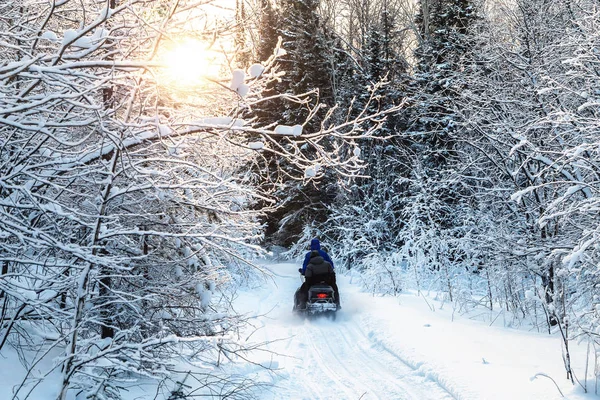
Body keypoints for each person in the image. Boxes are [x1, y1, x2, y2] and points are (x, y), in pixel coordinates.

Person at [295, 239, 340, 310]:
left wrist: (303, 272)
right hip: (326, 281)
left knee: (303, 289)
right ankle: (337, 303)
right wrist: (332, 281)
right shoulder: (324, 254)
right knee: (335, 289)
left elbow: (305, 269)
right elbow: (332, 267)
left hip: (313, 282)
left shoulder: (308, 256)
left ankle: (302, 304)